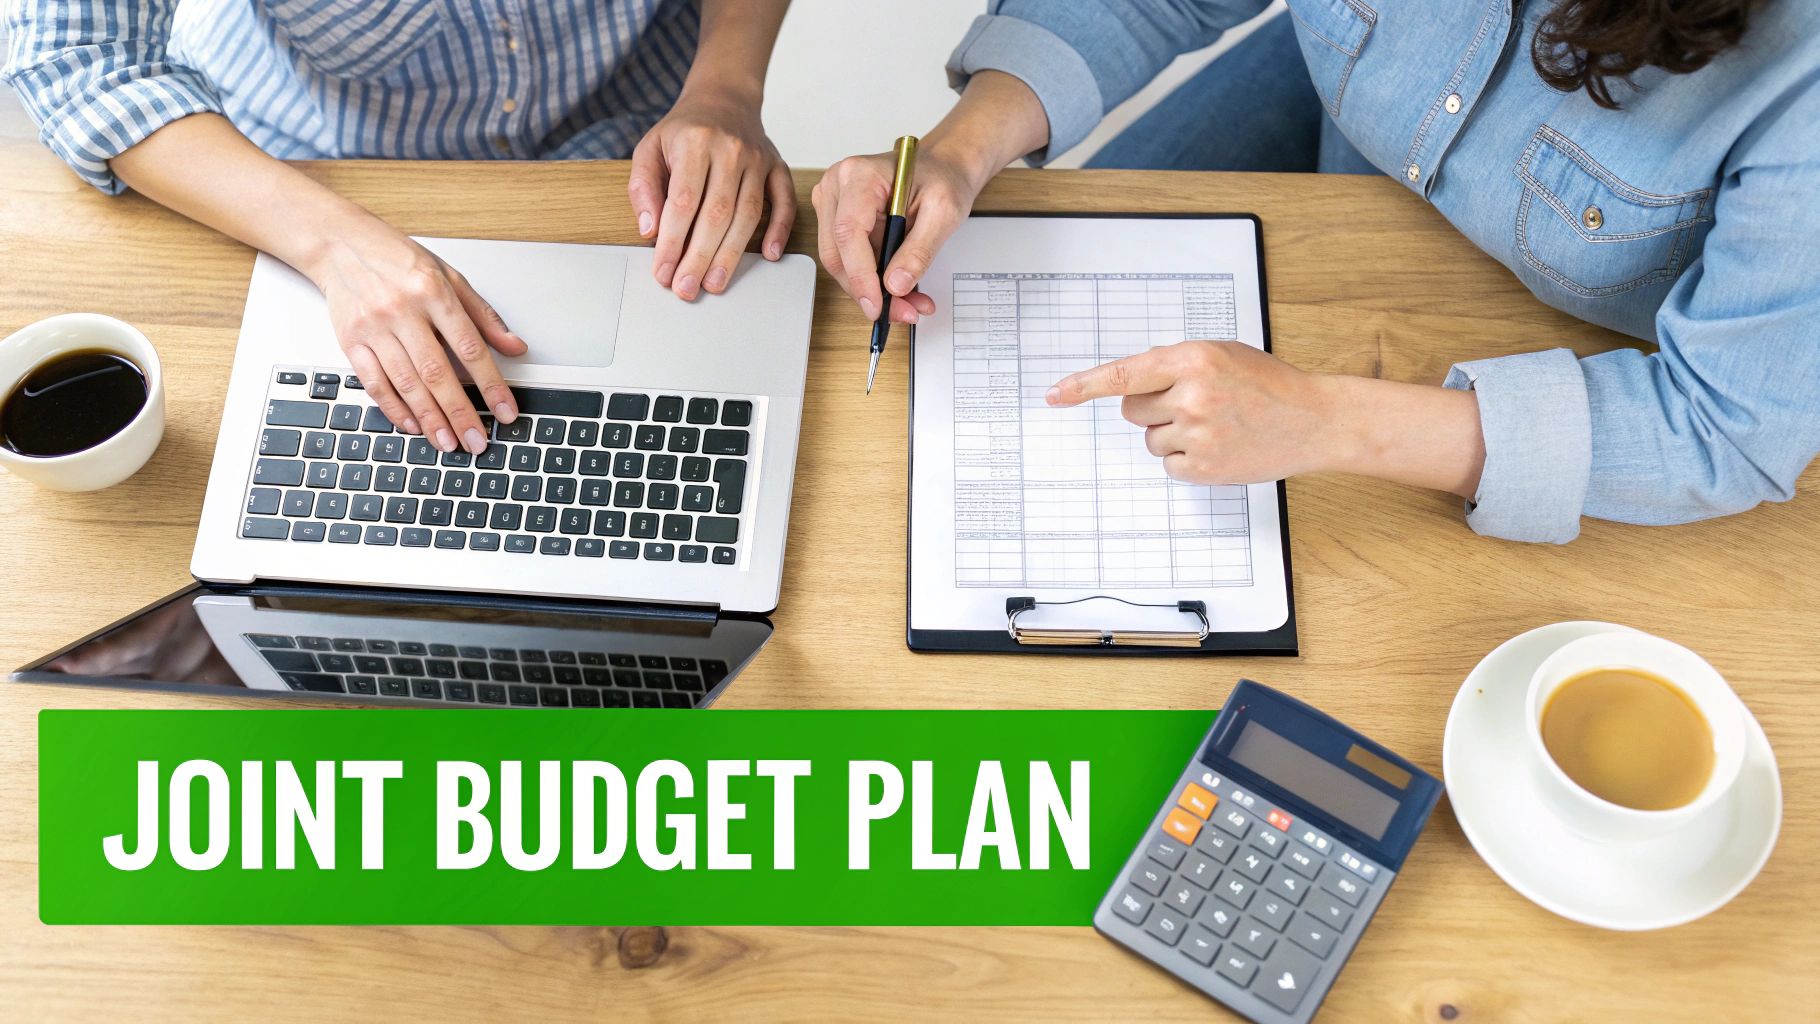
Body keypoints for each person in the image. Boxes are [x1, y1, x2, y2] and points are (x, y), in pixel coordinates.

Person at [813, 0, 1820, 543]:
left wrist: (1325, 419)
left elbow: (1725, 422)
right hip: (1346, 107)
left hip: (1565, 333)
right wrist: (956, 147)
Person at [3, 0, 797, 456]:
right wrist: (336, 248)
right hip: (308, 178)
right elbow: (78, 55)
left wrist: (725, 87)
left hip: (631, 145)